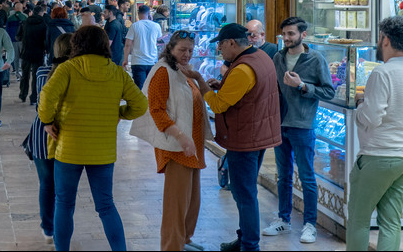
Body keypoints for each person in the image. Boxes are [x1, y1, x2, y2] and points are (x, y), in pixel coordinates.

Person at [38, 25, 148, 252]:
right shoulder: (117, 72)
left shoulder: (67, 69)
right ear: (104, 44)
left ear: (76, 44)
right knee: (106, 205)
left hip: (69, 148)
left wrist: (48, 122)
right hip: (103, 150)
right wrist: (120, 113)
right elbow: (140, 104)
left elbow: (47, 96)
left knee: (64, 204)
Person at [190, 23, 281, 252]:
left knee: (245, 194)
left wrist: (202, 85)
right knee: (245, 192)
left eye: (220, 44)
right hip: (258, 134)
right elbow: (252, 91)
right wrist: (223, 85)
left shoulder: (242, 68)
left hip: (244, 139)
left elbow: (219, 105)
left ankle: (250, 245)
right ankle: (244, 239)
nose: (219, 49)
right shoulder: (260, 56)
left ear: (231, 42)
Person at [344, 16, 403, 251]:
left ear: (386, 39)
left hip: (379, 156)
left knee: (359, 220)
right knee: (392, 222)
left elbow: (371, 118)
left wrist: (359, 107)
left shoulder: (382, 74)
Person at [263, 17, 335, 245]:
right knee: (283, 175)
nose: (286, 38)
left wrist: (303, 86)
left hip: (302, 126)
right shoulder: (278, 57)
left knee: (306, 177)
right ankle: (283, 219)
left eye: (291, 34)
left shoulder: (315, 59)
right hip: (280, 124)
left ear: (303, 35)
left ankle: (310, 225)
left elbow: (328, 92)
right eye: (284, 34)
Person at [137, 31, 207, 252]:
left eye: (190, 50)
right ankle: (171, 246)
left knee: (191, 199)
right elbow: (156, 110)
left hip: (192, 144)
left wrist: (198, 77)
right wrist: (180, 136)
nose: (187, 54)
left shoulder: (182, 71)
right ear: (170, 49)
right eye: (182, 50)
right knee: (176, 204)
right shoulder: (162, 72)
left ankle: (184, 239)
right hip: (177, 146)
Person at [25, 34, 73, 244]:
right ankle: (62, 227)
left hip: (41, 135)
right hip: (66, 135)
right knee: (63, 187)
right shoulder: (75, 74)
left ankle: (48, 228)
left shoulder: (42, 72)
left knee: (46, 184)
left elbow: (40, 104)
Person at [124, 4, 163, 89]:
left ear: (138, 13)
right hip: (152, 61)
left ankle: (142, 102)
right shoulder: (156, 26)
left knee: (140, 88)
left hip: (138, 62)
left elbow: (127, 44)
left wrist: (125, 59)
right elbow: (159, 39)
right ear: (149, 13)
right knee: (151, 88)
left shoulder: (134, 26)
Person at [19, 4, 49, 103]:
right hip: (38, 53)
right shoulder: (43, 24)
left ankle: (23, 94)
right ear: (41, 13)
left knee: (25, 75)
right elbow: (46, 40)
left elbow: (17, 37)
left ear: (32, 12)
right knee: (36, 75)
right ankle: (34, 97)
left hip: (26, 51)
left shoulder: (25, 23)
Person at [6, 0, 27, 75]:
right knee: (22, 56)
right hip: (23, 40)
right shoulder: (25, 17)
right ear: (22, 8)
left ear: (14, 9)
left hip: (13, 39)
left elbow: (7, 30)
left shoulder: (10, 18)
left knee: (16, 57)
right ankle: (22, 70)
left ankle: (17, 71)